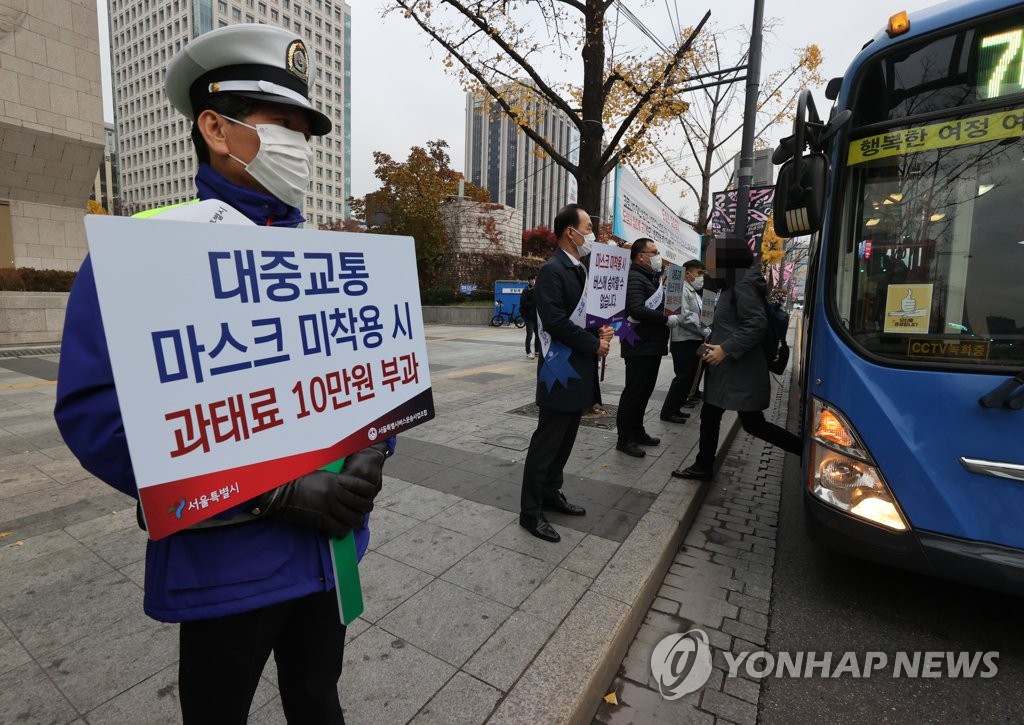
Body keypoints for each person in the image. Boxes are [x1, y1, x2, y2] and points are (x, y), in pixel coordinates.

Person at [53, 24, 391, 724]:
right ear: (216, 127)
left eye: (307, 128)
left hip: (333, 550)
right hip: (229, 560)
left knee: (319, 695)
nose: (300, 143)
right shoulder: (147, 252)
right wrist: (273, 492)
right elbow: (97, 416)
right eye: (283, 124)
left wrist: (372, 450)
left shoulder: (325, 261)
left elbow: (369, 381)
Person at [520, 204, 614, 542]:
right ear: (570, 233)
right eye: (588, 227)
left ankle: (551, 493)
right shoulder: (552, 270)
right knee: (547, 444)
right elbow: (556, 322)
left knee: (565, 442)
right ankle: (530, 512)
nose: (591, 233)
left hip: (579, 370)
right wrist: (593, 344)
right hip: (559, 371)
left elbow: (585, 316)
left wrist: (602, 331)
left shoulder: (579, 270)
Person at [672, 245, 802, 480]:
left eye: (712, 261)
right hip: (729, 369)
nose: (708, 267)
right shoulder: (730, 284)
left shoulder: (742, 285)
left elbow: (756, 324)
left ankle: (804, 450)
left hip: (739, 369)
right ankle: (703, 465)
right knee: (712, 416)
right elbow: (723, 321)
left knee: (753, 424)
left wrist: (725, 349)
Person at [615, 238, 679, 457]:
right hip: (638, 343)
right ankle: (625, 438)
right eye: (654, 252)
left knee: (645, 391)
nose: (658, 256)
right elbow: (636, 309)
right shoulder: (634, 277)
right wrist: (664, 319)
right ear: (641, 256)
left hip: (650, 344)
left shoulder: (650, 278)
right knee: (634, 392)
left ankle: (638, 431)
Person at [660, 259, 710, 423]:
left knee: (688, 377)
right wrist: (703, 330)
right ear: (687, 273)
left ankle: (676, 408)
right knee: (682, 377)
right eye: (699, 273)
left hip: (693, 338)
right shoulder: (681, 289)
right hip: (683, 340)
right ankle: (668, 411)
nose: (701, 277)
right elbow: (684, 317)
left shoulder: (693, 291)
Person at [520, 274, 539, 359]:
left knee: (538, 335)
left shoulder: (537, 289)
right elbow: (523, 303)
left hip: (536, 316)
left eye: (535, 279)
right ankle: (528, 352)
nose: (534, 281)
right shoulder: (526, 290)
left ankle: (537, 351)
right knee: (529, 335)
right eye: (533, 279)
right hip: (529, 316)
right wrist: (532, 304)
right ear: (529, 280)